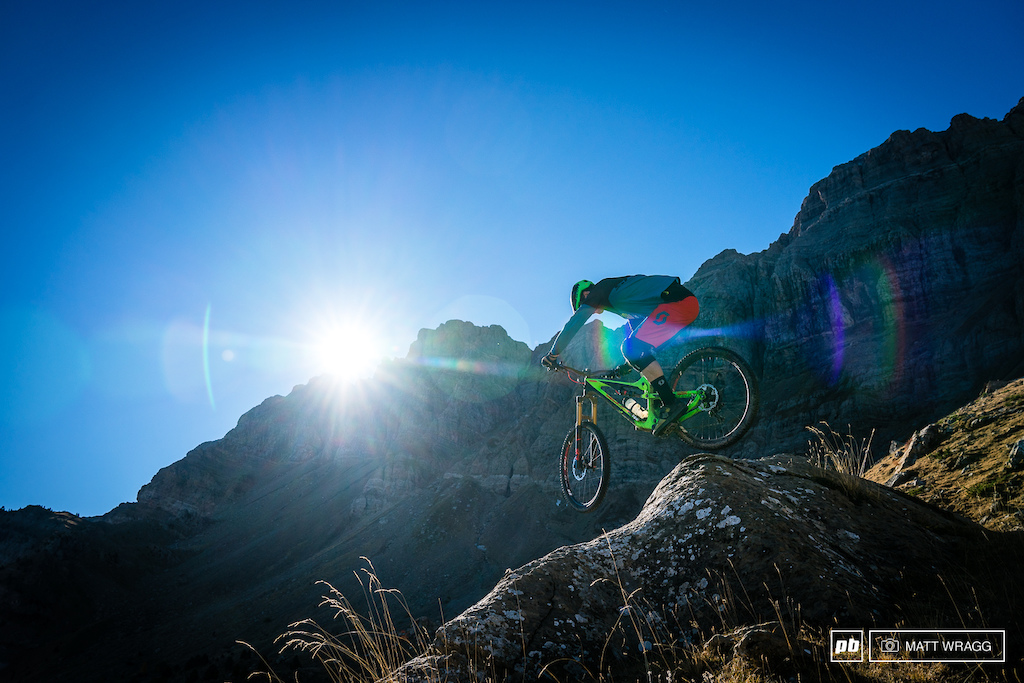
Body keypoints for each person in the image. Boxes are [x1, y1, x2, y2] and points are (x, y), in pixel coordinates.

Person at [541, 275, 699, 436]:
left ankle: (671, 402)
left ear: (586, 295)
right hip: (682, 306)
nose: (592, 312)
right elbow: (637, 333)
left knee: (630, 348)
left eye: (584, 306)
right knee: (635, 349)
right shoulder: (621, 299)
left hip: (678, 304)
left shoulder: (600, 290)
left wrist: (553, 354)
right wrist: (625, 366)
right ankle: (661, 408)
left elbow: (574, 324)